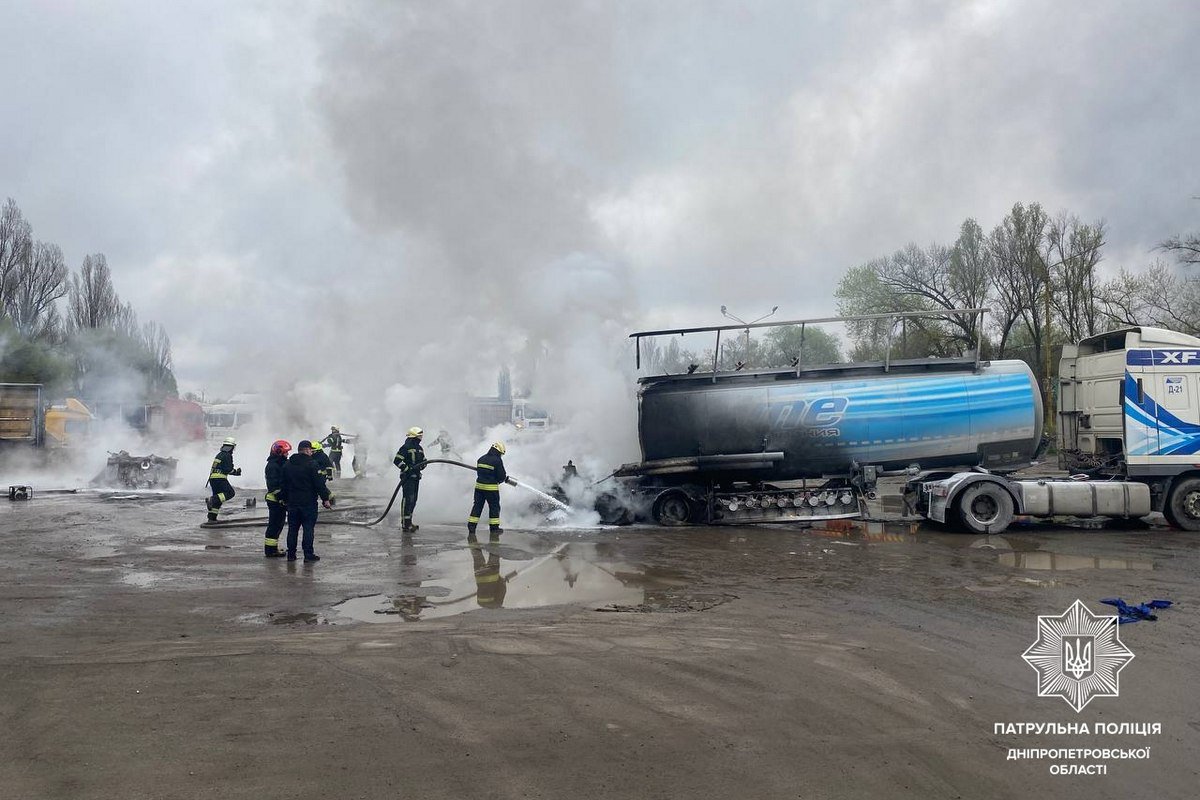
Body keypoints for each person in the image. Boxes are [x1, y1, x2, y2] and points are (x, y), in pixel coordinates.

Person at [280, 440, 334, 562]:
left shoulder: (288, 464)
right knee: (308, 529)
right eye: (311, 450)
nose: (311, 453)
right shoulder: (312, 464)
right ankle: (308, 555)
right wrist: (325, 499)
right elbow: (319, 484)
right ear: (307, 450)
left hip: (293, 503)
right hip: (308, 503)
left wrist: (284, 499)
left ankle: (291, 555)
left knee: (292, 530)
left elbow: (283, 484)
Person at [468, 441, 507, 538]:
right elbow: (501, 476)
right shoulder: (497, 460)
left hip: (479, 488)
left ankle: (471, 527)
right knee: (494, 507)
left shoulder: (481, 459)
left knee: (477, 507)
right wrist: (500, 480)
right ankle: (494, 529)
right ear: (498, 451)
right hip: (491, 489)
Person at [393, 426, 426, 532]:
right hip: (407, 478)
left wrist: (423, 465)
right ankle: (405, 523)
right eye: (420, 435)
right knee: (407, 499)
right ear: (415, 436)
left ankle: (409, 521)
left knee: (413, 500)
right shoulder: (406, 447)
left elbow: (424, 461)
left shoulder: (419, 448)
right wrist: (407, 469)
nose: (421, 437)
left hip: (416, 477)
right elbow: (397, 461)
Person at [262, 440, 291, 557]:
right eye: (285, 452)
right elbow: (274, 486)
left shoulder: (280, 463)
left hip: (279, 500)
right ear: (279, 452)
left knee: (278, 525)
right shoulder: (273, 466)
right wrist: (282, 499)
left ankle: (273, 549)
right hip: (275, 500)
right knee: (274, 525)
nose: (287, 454)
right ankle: (270, 551)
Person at [467, 531, 507, 608]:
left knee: (494, 554)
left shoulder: (498, 603)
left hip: (492, 573)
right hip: (479, 574)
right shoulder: (481, 603)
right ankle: (471, 538)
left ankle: (494, 536)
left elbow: (502, 589)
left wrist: (502, 580)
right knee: (477, 555)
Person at [206, 436, 241, 522]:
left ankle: (212, 518)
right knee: (230, 493)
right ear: (231, 447)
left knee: (219, 499)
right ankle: (212, 499)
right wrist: (236, 472)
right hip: (220, 478)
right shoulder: (227, 455)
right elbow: (228, 469)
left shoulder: (219, 454)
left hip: (213, 479)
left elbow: (221, 468)